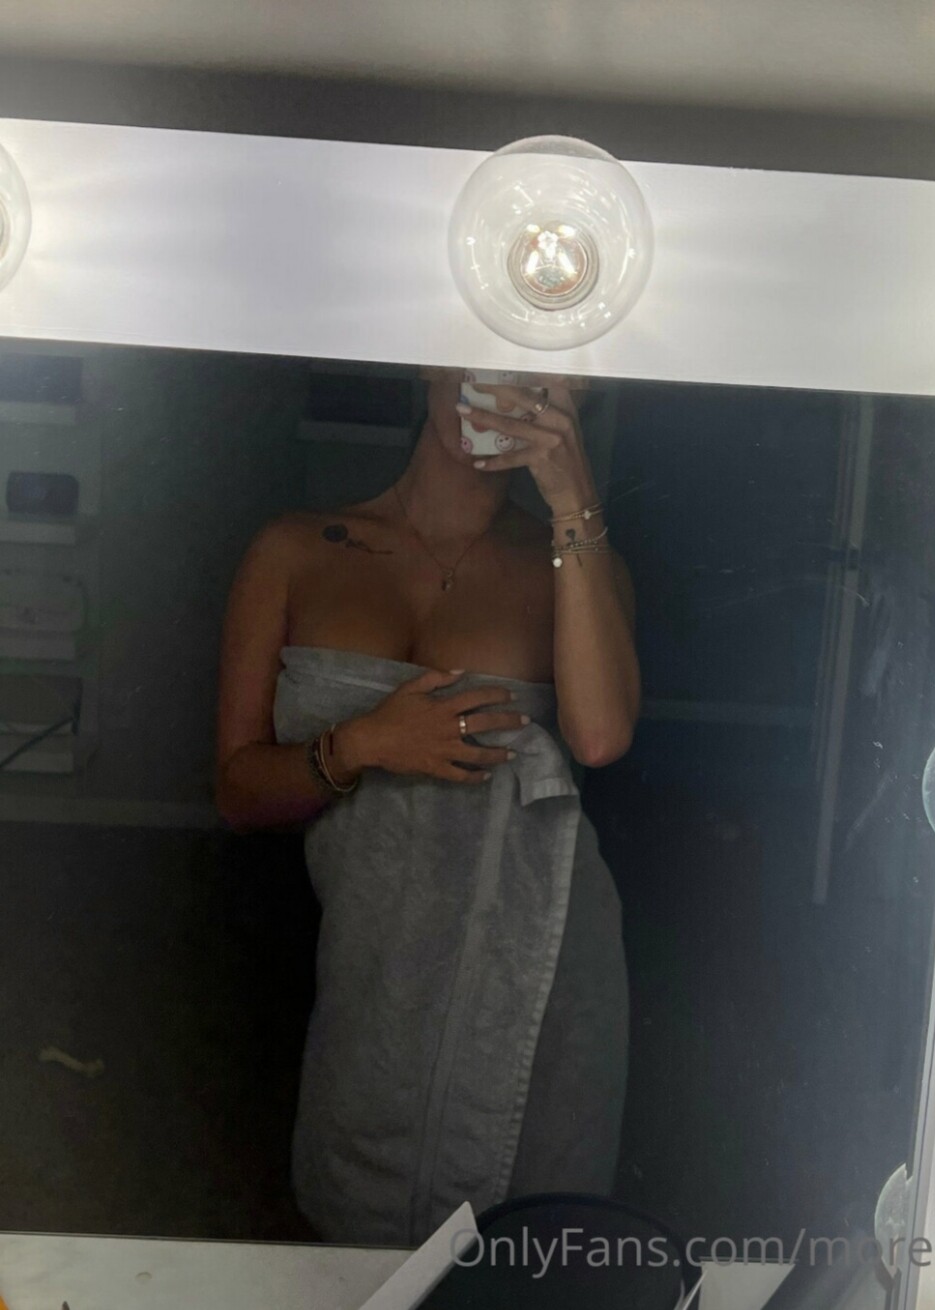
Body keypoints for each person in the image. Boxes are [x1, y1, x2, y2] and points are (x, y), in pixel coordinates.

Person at [214, 367, 641, 1246]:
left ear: (578, 398)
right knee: (360, 1212)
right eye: (482, 360)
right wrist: (361, 744)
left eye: (539, 379)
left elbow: (599, 738)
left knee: (528, 1239)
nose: (505, 391)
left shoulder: (575, 559)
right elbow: (238, 792)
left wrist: (572, 499)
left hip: (541, 947)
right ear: (426, 359)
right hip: (377, 951)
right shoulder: (294, 550)